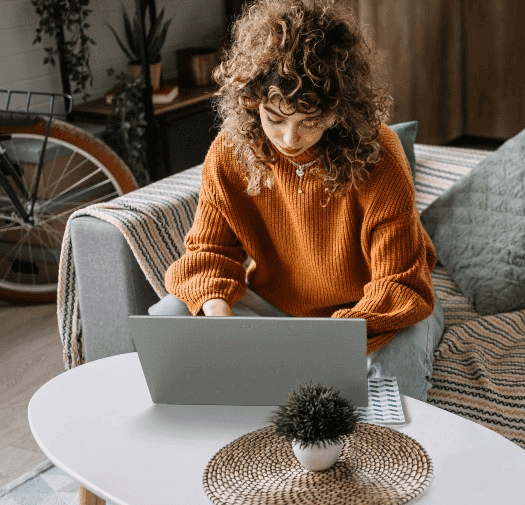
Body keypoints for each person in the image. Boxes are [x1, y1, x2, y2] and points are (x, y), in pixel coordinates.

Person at [151, 0, 443, 401]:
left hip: (377, 308)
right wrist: (218, 318)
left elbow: (398, 283)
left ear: (340, 109)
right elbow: (209, 253)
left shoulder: (382, 156)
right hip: (277, 303)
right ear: (252, 104)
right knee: (172, 316)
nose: (291, 140)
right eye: (276, 118)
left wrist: (321, 347)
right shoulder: (228, 152)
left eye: (311, 121)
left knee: (399, 378)